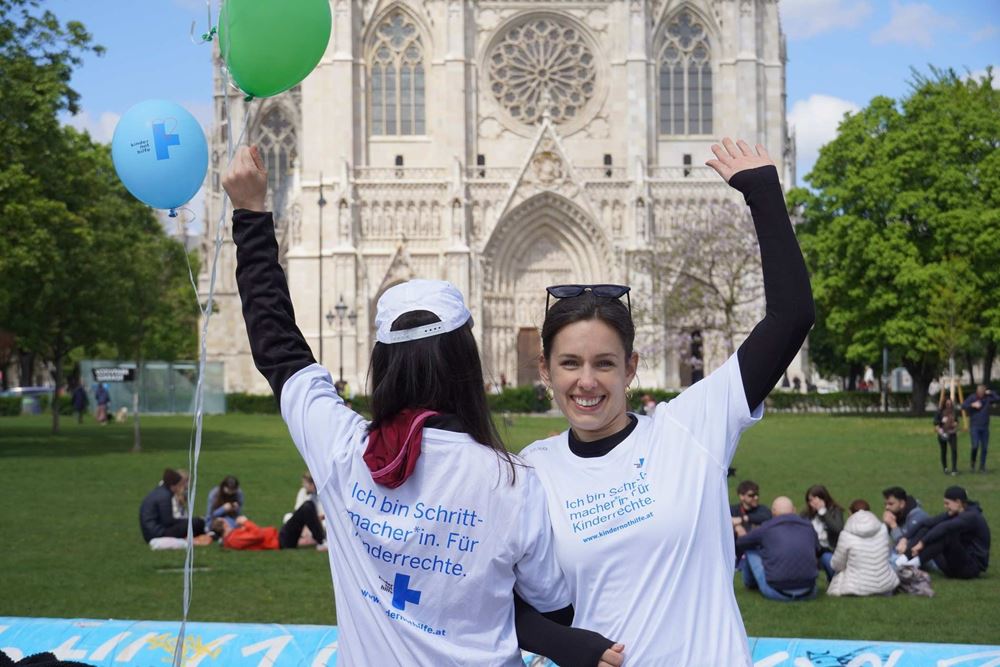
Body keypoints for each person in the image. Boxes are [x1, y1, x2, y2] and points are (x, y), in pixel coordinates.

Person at [223, 145, 623, 667]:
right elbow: (554, 607)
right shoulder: (514, 483)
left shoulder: (343, 452)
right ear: (466, 364)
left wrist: (251, 213)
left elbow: (277, 345)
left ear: (383, 364)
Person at [518, 138, 814, 663]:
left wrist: (763, 193)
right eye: (569, 364)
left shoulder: (689, 429)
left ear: (630, 368)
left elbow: (791, 318)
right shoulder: (533, 469)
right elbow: (490, 588)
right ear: (545, 370)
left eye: (604, 363)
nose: (586, 381)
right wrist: (560, 643)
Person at [735, 497, 820, 602]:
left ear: (773, 512)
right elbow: (817, 549)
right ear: (794, 510)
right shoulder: (808, 526)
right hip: (810, 591)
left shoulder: (767, 527)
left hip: (778, 591)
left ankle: (750, 584)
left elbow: (741, 543)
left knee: (750, 549)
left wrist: (739, 529)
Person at [901, 486, 990, 579]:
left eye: (947, 503)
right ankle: (901, 561)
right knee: (927, 528)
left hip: (970, 568)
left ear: (958, 502)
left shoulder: (971, 516)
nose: (945, 506)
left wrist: (922, 542)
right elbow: (926, 522)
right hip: (953, 564)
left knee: (947, 535)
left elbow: (945, 527)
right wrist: (905, 538)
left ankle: (910, 566)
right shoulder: (956, 511)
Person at [827, 499, 899, 597]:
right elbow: (888, 553)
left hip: (856, 587)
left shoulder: (846, 534)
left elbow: (837, 565)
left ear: (850, 513)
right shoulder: (882, 529)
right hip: (885, 584)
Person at [212, 499, 326, 551]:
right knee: (307, 507)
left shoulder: (232, 537)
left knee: (308, 506)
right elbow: (258, 535)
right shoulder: (233, 539)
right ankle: (321, 541)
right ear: (224, 525)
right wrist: (245, 522)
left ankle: (321, 539)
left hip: (279, 538)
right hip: (280, 542)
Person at [139, 468, 207, 542]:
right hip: (158, 534)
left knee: (193, 523)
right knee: (197, 522)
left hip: (153, 532)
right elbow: (168, 521)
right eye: (178, 485)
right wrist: (187, 521)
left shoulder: (160, 492)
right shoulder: (165, 496)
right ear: (173, 485)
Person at [801, 484, 845, 581]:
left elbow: (838, 529)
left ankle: (834, 582)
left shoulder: (835, 511)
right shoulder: (805, 515)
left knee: (827, 559)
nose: (813, 504)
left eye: (815, 500)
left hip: (830, 550)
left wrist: (823, 512)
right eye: (810, 500)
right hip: (811, 551)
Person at [960, 384, 999, 472]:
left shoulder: (987, 398)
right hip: (975, 426)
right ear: (977, 392)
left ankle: (982, 466)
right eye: (979, 392)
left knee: (984, 448)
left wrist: (991, 392)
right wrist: (972, 405)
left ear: (984, 392)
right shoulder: (972, 397)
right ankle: (973, 462)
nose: (981, 394)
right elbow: (963, 406)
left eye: (982, 392)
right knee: (975, 446)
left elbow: (997, 399)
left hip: (985, 427)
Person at [934, 397, 959, 474]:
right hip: (943, 433)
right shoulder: (939, 412)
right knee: (944, 451)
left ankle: (954, 469)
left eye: (950, 403)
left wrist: (955, 424)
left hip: (952, 433)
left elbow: (956, 421)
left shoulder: (953, 411)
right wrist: (940, 429)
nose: (949, 405)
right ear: (944, 404)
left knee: (954, 450)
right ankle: (945, 468)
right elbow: (936, 423)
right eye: (947, 403)